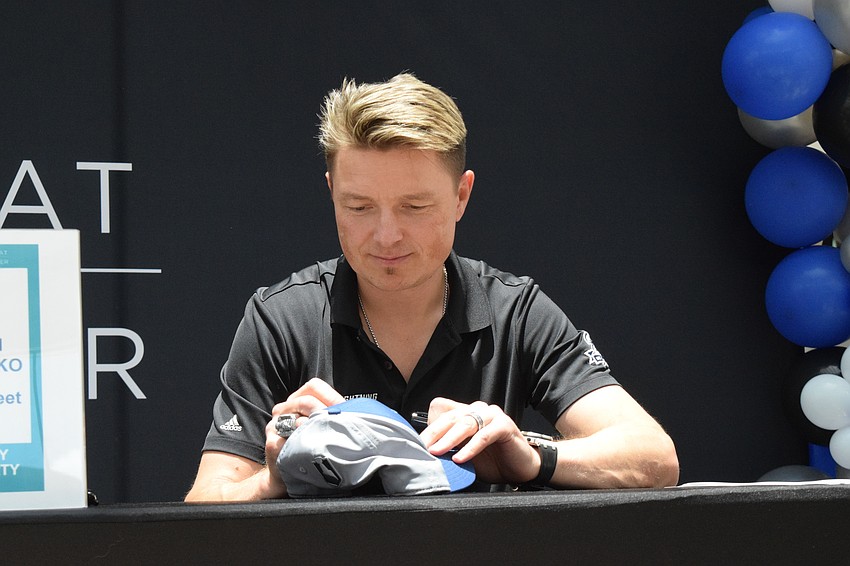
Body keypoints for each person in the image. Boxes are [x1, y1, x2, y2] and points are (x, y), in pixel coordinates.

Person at [185, 73, 679, 502]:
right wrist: (273, 479)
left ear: (461, 195)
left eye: (414, 207)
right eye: (359, 207)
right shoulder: (281, 318)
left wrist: (530, 458)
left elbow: (653, 459)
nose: (386, 236)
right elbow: (205, 502)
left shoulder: (515, 311)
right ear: (332, 191)